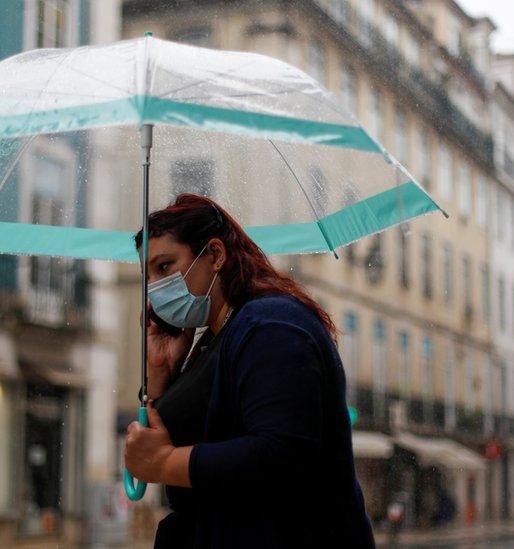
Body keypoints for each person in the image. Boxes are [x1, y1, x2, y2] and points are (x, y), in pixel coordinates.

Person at [124, 194, 375, 548]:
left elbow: (280, 455)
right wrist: (161, 371)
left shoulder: (271, 325)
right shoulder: (214, 338)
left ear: (215, 255)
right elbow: (184, 437)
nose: (154, 287)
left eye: (164, 266)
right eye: (146, 274)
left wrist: (164, 463)